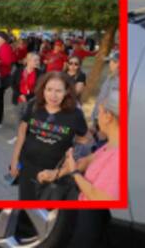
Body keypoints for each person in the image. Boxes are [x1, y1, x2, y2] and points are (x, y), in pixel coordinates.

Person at [10, 72, 88, 201]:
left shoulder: (75, 114)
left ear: (67, 91)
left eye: (58, 91)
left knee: (45, 210)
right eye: (49, 89)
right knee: (25, 203)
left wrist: (71, 159)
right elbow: (22, 132)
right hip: (27, 167)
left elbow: (84, 139)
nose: (53, 95)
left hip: (54, 172)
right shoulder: (34, 105)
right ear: (43, 89)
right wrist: (14, 159)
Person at [59, 88, 122, 245]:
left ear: (108, 116)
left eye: (99, 112)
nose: (97, 117)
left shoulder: (119, 154)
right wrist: (56, 173)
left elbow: (98, 196)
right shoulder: (110, 144)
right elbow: (87, 161)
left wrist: (74, 172)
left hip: (90, 227)